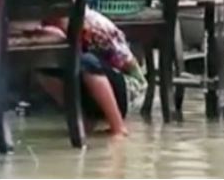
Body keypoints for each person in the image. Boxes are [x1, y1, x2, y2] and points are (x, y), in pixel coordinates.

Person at [37, 8, 147, 138]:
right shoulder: (47, 24)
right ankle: (84, 119)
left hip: (128, 87)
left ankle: (118, 127)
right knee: (42, 64)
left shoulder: (92, 26)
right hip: (96, 80)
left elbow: (128, 65)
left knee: (86, 62)